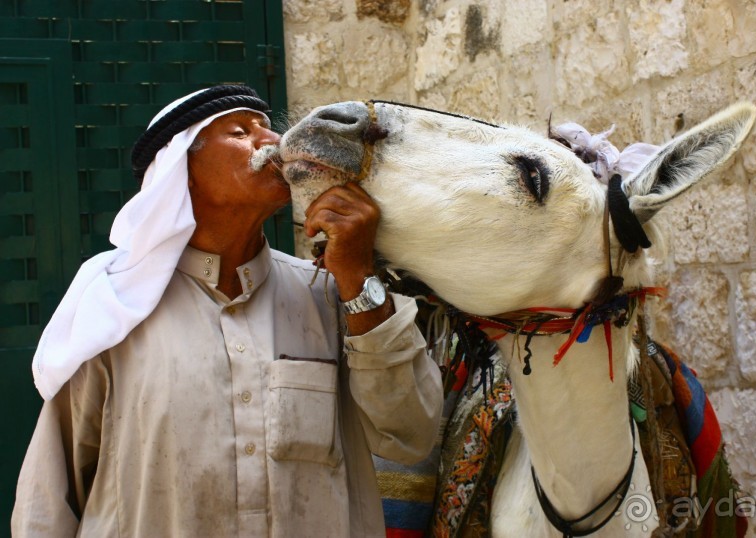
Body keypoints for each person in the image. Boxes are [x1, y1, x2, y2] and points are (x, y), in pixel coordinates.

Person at [11, 85, 443, 537]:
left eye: (267, 128)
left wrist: (358, 276)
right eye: (240, 131)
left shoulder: (332, 295)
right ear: (182, 172)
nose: (272, 141)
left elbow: (409, 435)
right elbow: (48, 497)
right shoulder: (115, 305)